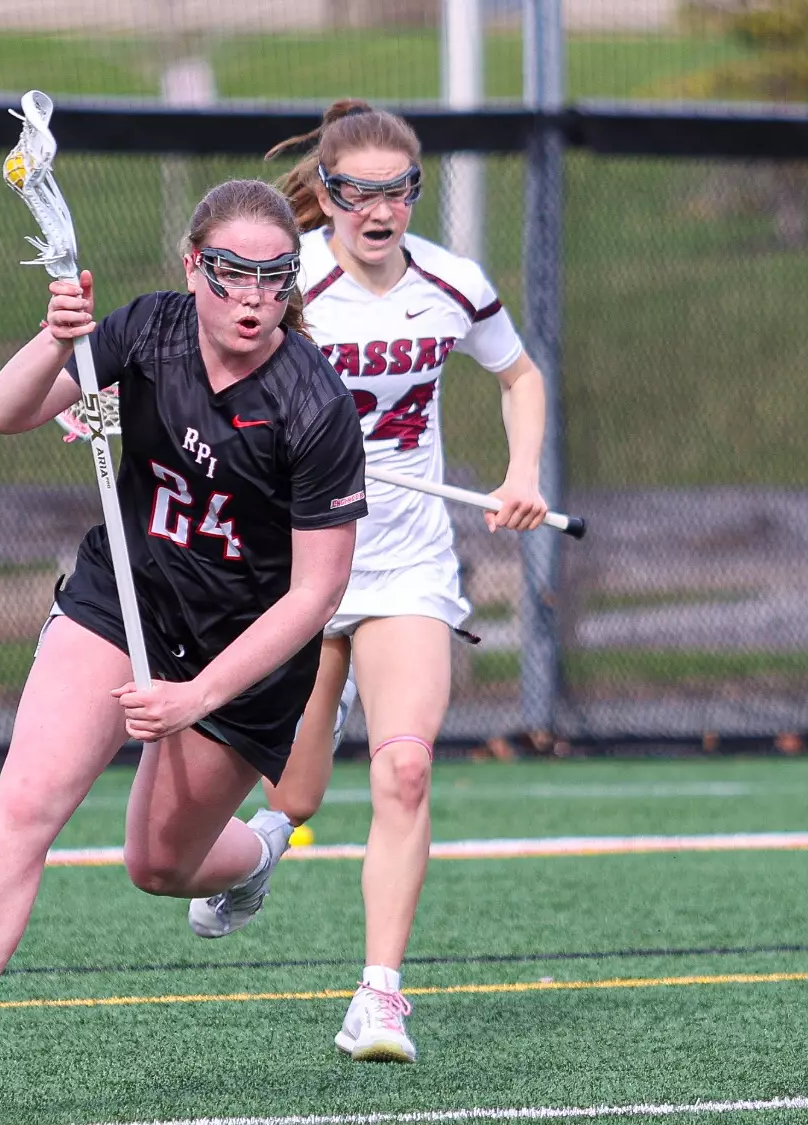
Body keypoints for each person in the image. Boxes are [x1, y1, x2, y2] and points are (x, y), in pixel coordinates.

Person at [0, 179, 368, 1109]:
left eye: (276, 279)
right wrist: (55, 334)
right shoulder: (145, 332)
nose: (253, 299)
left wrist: (195, 699)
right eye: (232, 274)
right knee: (25, 802)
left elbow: (318, 592)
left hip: (243, 651)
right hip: (125, 598)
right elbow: (5, 411)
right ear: (195, 266)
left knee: (157, 865)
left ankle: (260, 855)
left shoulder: (314, 408)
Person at [193, 101, 550, 1064]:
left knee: (405, 766)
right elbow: (204, 362)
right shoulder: (289, 278)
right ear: (330, 194)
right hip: (295, 562)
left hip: (405, 565)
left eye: (398, 190)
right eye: (358, 191)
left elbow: (520, 377)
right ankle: (260, 854)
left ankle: (380, 998)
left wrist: (521, 477)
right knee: (296, 795)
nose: (379, 209)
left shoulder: (452, 285)